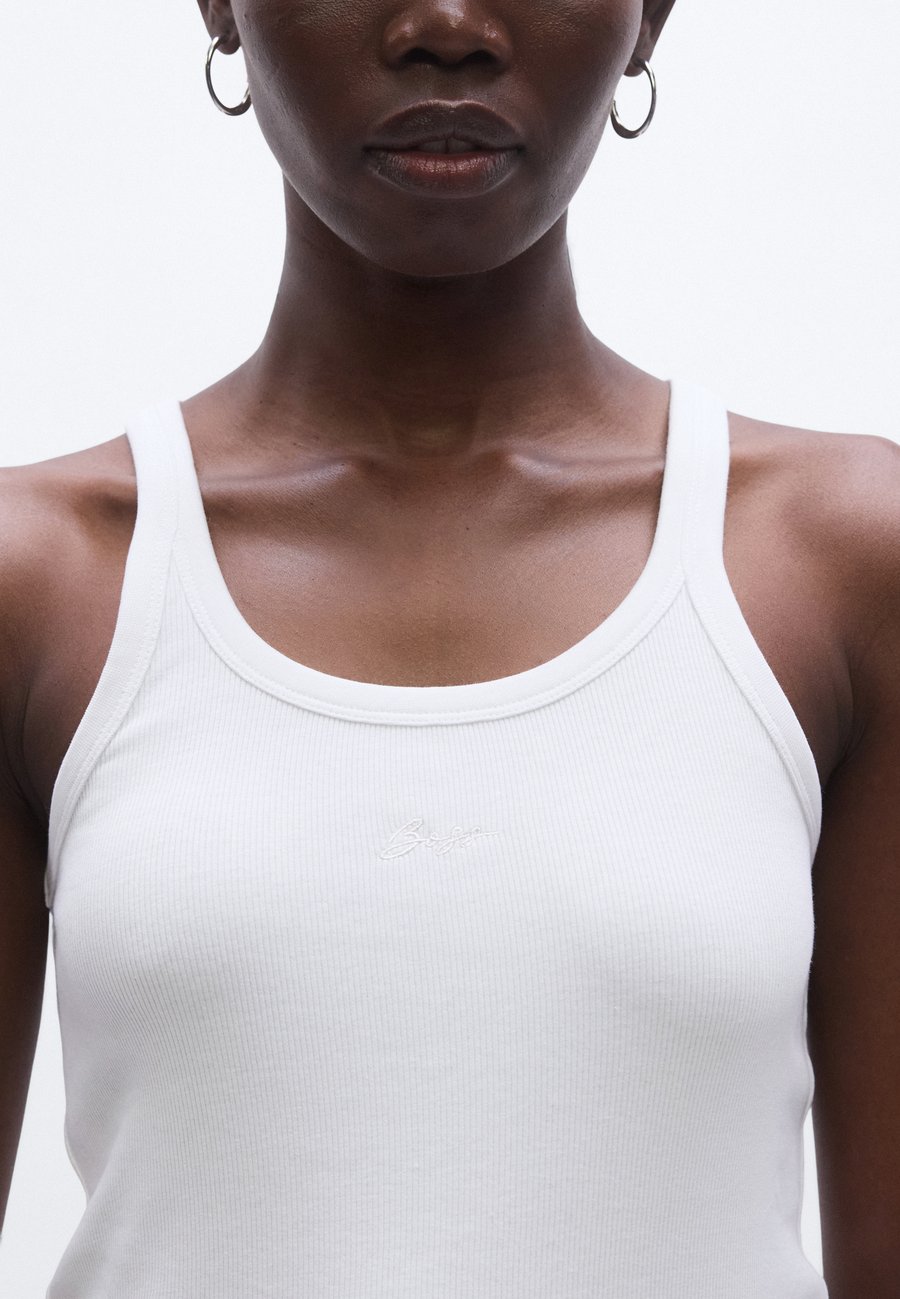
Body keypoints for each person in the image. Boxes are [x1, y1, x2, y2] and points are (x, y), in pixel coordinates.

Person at [2, 1, 898, 1294]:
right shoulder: (45, 582)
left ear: (651, 14)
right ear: (217, 5)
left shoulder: (841, 565)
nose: (448, 27)